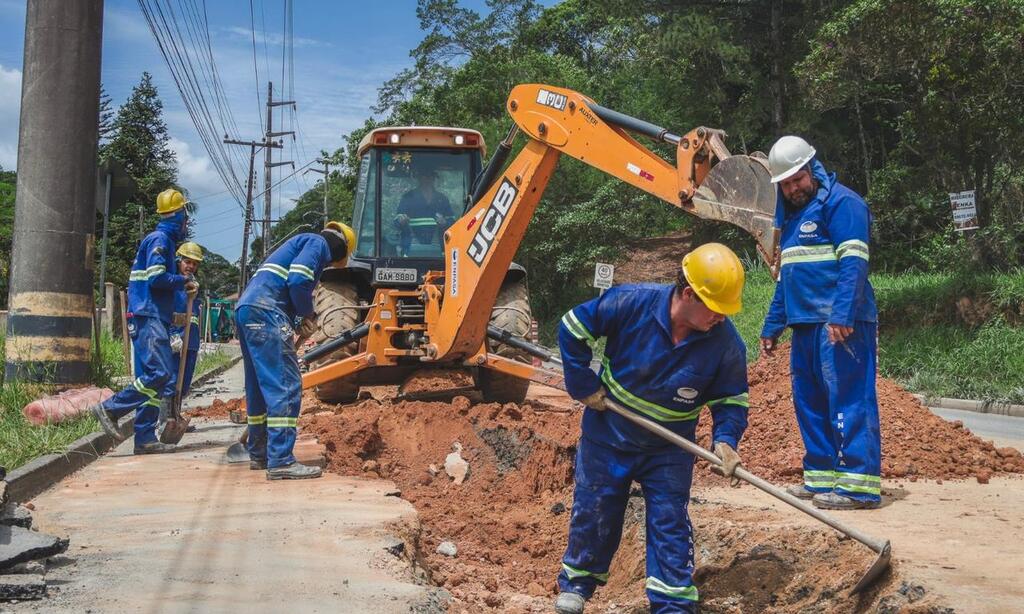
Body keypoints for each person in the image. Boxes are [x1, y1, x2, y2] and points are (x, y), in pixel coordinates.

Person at [554, 243, 750, 614]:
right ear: (689, 294)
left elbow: (732, 400)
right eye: (715, 309)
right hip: (609, 432)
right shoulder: (631, 303)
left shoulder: (726, 344)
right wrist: (583, 385)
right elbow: (571, 328)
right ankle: (577, 584)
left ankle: (672, 603)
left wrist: (725, 440)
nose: (721, 318)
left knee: (669, 522)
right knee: (595, 509)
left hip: (669, 449)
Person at [759, 135, 881, 511]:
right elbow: (787, 277)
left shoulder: (842, 204)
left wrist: (842, 314)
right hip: (806, 326)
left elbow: (854, 264)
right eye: (786, 183)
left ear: (811, 168)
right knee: (809, 401)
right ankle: (821, 477)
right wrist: (772, 325)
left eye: (798, 178)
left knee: (848, 399)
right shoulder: (792, 219)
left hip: (841, 323)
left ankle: (859, 486)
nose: (794, 187)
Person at [235, 221, 355, 480]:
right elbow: (299, 279)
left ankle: (260, 453)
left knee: (258, 386)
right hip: (268, 311)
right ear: (341, 249)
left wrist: (299, 320)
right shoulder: (316, 244)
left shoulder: (299, 244)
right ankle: (281, 460)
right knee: (286, 385)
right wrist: (307, 313)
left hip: (249, 308)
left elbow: (290, 282)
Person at [91, 188, 197, 454]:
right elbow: (156, 279)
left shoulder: (163, 242)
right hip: (147, 315)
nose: (186, 224)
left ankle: (145, 438)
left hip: (151, 314)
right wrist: (183, 281)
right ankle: (109, 408)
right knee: (159, 374)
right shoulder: (160, 239)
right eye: (185, 217)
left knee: (154, 379)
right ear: (179, 215)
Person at [169, 241, 204, 398]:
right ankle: (167, 418)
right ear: (179, 261)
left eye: (195, 264)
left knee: (184, 385)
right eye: (187, 262)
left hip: (192, 342)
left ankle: (176, 415)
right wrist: (173, 335)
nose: (191, 266)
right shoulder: (173, 284)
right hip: (177, 342)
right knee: (172, 382)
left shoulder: (194, 285)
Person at [394, 166, 453, 253]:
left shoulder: (442, 199)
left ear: (434, 178)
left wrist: (445, 222)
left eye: (430, 176)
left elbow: (453, 222)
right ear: (419, 178)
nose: (427, 179)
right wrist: (401, 221)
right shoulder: (407, 197)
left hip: (439, 251)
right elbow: (396, 222)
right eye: (424, 176)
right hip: (410, 249)